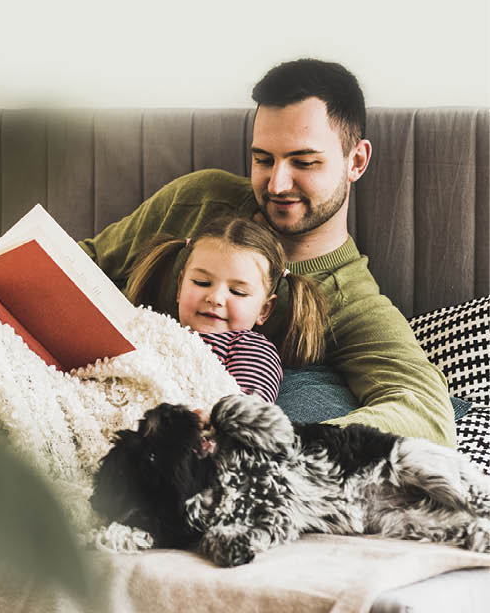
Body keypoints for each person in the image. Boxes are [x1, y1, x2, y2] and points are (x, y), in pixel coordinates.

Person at [79, 58, 456, 447]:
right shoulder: (200, 197)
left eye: (304, 162)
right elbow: (81, 260)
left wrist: (279, 442)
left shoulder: (349, 298)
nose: (277, 183)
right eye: (263, 159)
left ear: (355, 161)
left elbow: (424, 410)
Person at [126, 214, 329, 403]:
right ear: (180, 287)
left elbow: (246, 415)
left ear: (264, 310)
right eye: (201, 282)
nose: (215, 298)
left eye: (238, 292)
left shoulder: (252, 349)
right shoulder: (153, 326)